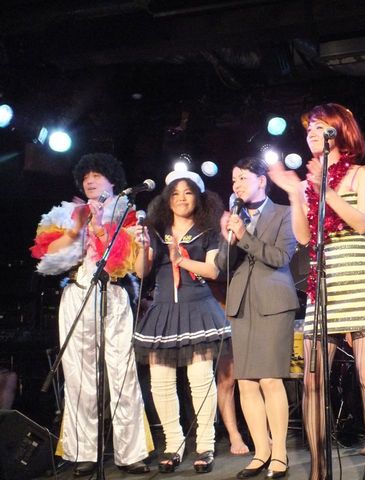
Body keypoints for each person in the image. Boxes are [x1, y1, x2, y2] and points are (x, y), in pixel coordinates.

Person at [269, 103, 365, 478]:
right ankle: (318, 469)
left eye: (318, 126)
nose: (310, 133)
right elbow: (305, 237)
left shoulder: (362, 173)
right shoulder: (308, 184)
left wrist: (324, 188)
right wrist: (297, 194)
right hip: (324, 279)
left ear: (339, 130)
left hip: (361, 275)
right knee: (312, 379)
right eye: (308, 128)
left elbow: (361, 222)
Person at [30, 153, 151, 476]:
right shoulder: (70, 214)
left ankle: (130, 453)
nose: (90, 181)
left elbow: (130, 266)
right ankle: (84, 451)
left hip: (114, 294)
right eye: (86, 177)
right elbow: (47, 258)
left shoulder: (128, 216)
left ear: (113, 181)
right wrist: (76, 230)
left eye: (97, 175)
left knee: (122, 373)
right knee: (79, 376)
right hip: (78, 294)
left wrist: (100, 231)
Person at [133, 170, 231, 473]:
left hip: (198, 309)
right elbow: (141, 272)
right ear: (167, 198)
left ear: (198, 197)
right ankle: (173, 444)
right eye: (175, 193)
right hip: (163, 312)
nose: (181, 198)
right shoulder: (156, 229)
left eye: (188, 193)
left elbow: (214, 271)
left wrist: (181, 259)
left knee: (200, 381)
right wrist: (142, 248)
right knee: (160, 383)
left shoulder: (209, 230)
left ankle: (205, 445)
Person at [215, 156, 299, 479]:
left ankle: (280, 454)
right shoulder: (234, 217)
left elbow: (281, 256)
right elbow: (223, 266)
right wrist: (229, 236)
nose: (236, 184)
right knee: (246, 381)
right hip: (241, 304)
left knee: (270, 378)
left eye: (243, 178)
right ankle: (261, 452)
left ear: (262, 181)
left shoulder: (284, 213)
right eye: (233, 179)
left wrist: (245, 236)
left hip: (273, 303)